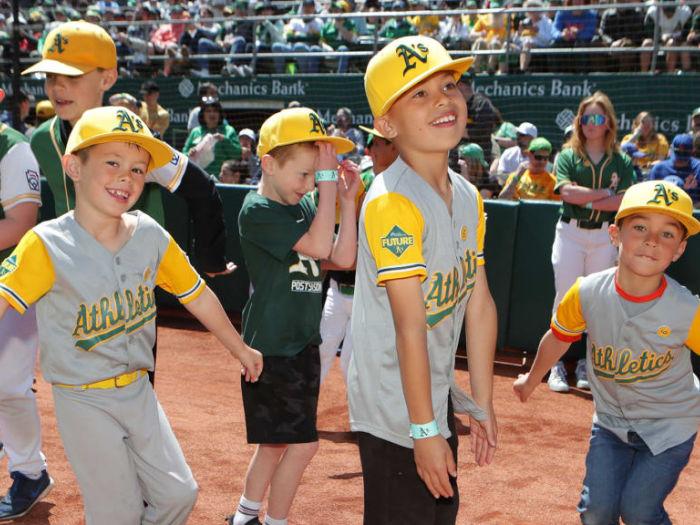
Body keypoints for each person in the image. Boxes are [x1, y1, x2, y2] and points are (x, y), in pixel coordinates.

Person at [0, 105, 263, 525]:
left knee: (179, 493)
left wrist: (239, 348)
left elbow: (197, 294)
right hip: (82, 397)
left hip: (139, 392)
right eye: (112, 162)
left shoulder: (149, 234)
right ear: (73, 167)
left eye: (139, 169)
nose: (127, 177)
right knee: (117, 512)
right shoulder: (45, 244)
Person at [348, 36, 498, 524]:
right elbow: (409, 327)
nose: (442, 99)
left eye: (449, 85)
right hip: (395, 411)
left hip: (431, 398)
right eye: (419, 93)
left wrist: (480, 400)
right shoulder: (392, 201)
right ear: (386, 124)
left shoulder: (469, 195)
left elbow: (477, 303)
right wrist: (422, 430)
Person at [514, 180, 700, 524]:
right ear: (614, 234)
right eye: (640, 227)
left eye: (667, 234)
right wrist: (531, 380)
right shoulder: (587, 292)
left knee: (639, 511)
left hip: (669, 427)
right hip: (611, 424)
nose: (651, 240)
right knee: (597, 512)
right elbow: (558, 338)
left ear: (680, 249)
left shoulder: (687, 309)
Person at [229, 107, 359, 525]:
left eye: (313, 174)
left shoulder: (303, 206)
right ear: (267, 164)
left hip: (301, 345)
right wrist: (324, 187)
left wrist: (348, 202)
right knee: (302, 446)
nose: (308, 183)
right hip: (270, 348)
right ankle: (272, 521)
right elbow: (321, 248)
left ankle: (245, 517)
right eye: (303, 174)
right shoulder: (256, 209)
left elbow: (342, 255)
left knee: (274, 444)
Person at [24, 21, 233, 277]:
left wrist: (209, 258)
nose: (57, 87)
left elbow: (202, 188)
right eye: (50, 76)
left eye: (73, 76)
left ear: (108, 78)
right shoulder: (42, 139)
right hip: (70, 276)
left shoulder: (137, 140)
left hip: (131, 287)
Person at [548, 91, 636, 394]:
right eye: (586, 118)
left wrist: (589, 196)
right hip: (570, 232)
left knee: (598, 302)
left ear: (608, 122)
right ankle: (555, 365)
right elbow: (567, 194)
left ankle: (588, 365)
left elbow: (624, 201)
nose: (591, 124)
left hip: (603, 235)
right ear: (580, 122)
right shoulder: (569, 155)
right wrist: (601, 194)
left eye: (598, 118)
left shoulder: (621, 160)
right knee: (565, 298)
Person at [318, 126, 397, 385]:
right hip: (338, 290)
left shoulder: (400, 188)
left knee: (353, 362)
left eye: (377, 143)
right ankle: (302, 415)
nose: (370, 149)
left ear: (394, 148)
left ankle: (361, 420)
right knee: (322, 351)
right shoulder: (364, 182)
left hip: (371, 294)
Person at [0, 104, 47, 521]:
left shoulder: (12, 149)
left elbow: (21, 223)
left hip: (12, 282)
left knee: (9, 385)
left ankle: (30, 472)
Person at [183, 96, 242, 179]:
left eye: (215, 111)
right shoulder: (196, 132)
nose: (212, 114)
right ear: (202, 114)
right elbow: (184, 155)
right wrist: (190, 153)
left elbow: (237, 154)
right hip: (196, 178)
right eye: (208, 111)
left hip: (220, 180)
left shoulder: (228, 130)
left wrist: (224, 140)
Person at [650, 134, 700, 206]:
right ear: (670, 148)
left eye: (684, 154)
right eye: (678, 153)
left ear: (693, 150)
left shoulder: (698, 168)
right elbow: (650, 196)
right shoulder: (659, 169)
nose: (680, 161)